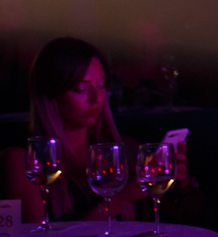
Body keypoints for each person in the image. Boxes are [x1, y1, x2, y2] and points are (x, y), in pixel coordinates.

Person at [3, 38, 141, 224]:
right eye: (80, 89)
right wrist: (122, 198)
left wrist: (178, 187)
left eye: (101, 85)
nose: (96, 98)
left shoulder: (124, 151)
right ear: (51, 94)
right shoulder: (24, 163)